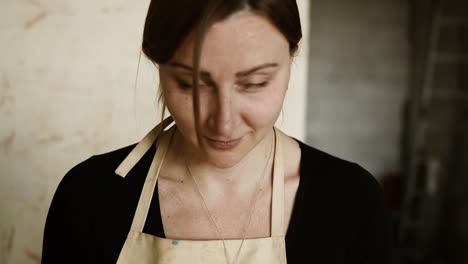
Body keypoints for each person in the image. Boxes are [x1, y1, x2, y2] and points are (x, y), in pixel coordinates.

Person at [41, 0, 393, 263]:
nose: (223, 123)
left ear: (291, 58)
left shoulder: (350, 201)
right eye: (191, 84)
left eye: (255, 83)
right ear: (158, 64)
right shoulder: (89, 198)